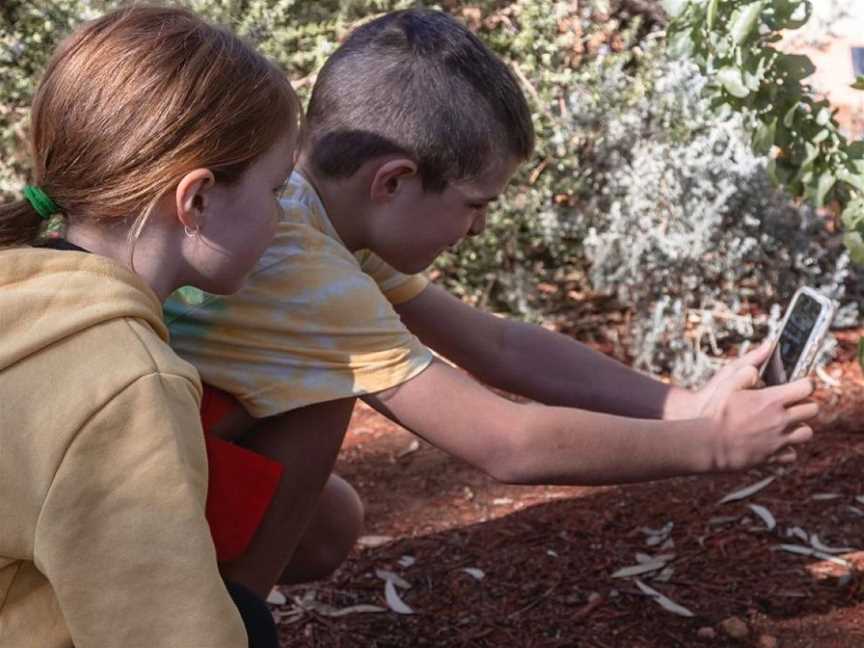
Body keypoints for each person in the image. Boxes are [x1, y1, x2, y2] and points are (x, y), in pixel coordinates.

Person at [165, 8, 818, 598]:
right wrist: (714, 445)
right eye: (475, 204)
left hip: (154, 467)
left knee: (330, 523)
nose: (476, 228)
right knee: (327, 392)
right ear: (393, 181)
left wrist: (690, 408)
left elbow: (497, 346)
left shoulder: (316, 212)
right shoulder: (306, 274)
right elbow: (505, 442)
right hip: (121, 502)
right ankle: (224, 623)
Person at [0, 5, 300, 647]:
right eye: (276, 190)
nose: (283, 217)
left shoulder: (21, 294)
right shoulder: (128, 382)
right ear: (196, 199)